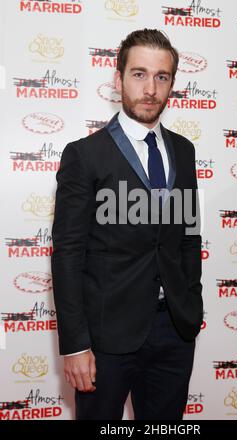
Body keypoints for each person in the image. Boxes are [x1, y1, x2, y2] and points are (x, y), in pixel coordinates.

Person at [51, 28, 203, 420]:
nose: (150, 88)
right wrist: (74, 345)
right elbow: (67, 255)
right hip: (105, 339)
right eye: (139, 74)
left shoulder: (184, 152)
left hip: (173, 332)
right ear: (118, 80)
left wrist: (192, 306)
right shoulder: (85, 156)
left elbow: (188, 237)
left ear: (172, 83)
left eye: (161, 76)